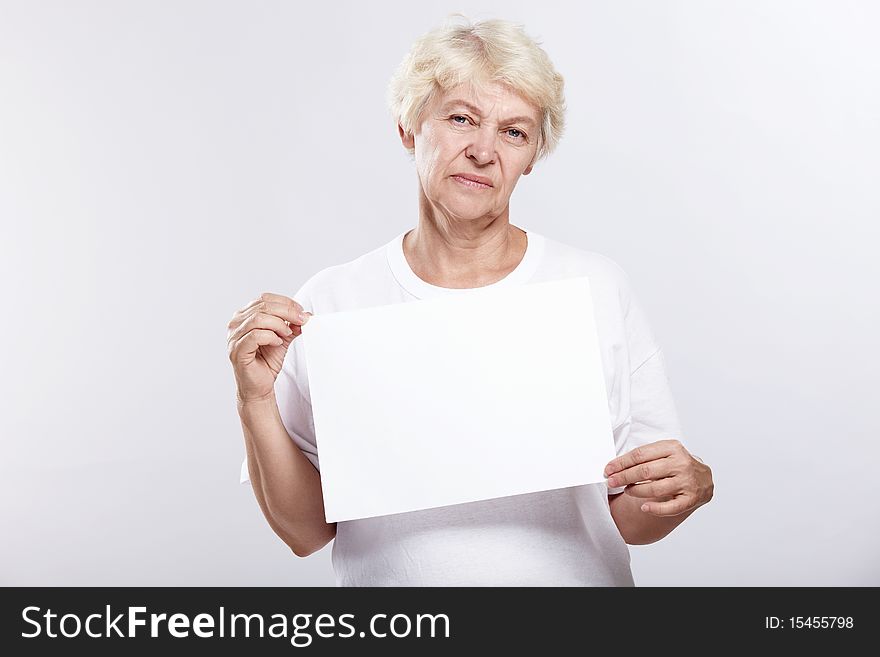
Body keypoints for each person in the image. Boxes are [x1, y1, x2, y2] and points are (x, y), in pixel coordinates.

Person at [226, 15, 713, 586]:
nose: (484, 150)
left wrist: (682, 491)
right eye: (461, 118)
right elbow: (303, 532)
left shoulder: (594, 287)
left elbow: (631, 521)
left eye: (514, 131)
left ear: (531, 156)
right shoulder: (331, 304)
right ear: (409, 128)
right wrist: (254, 399)